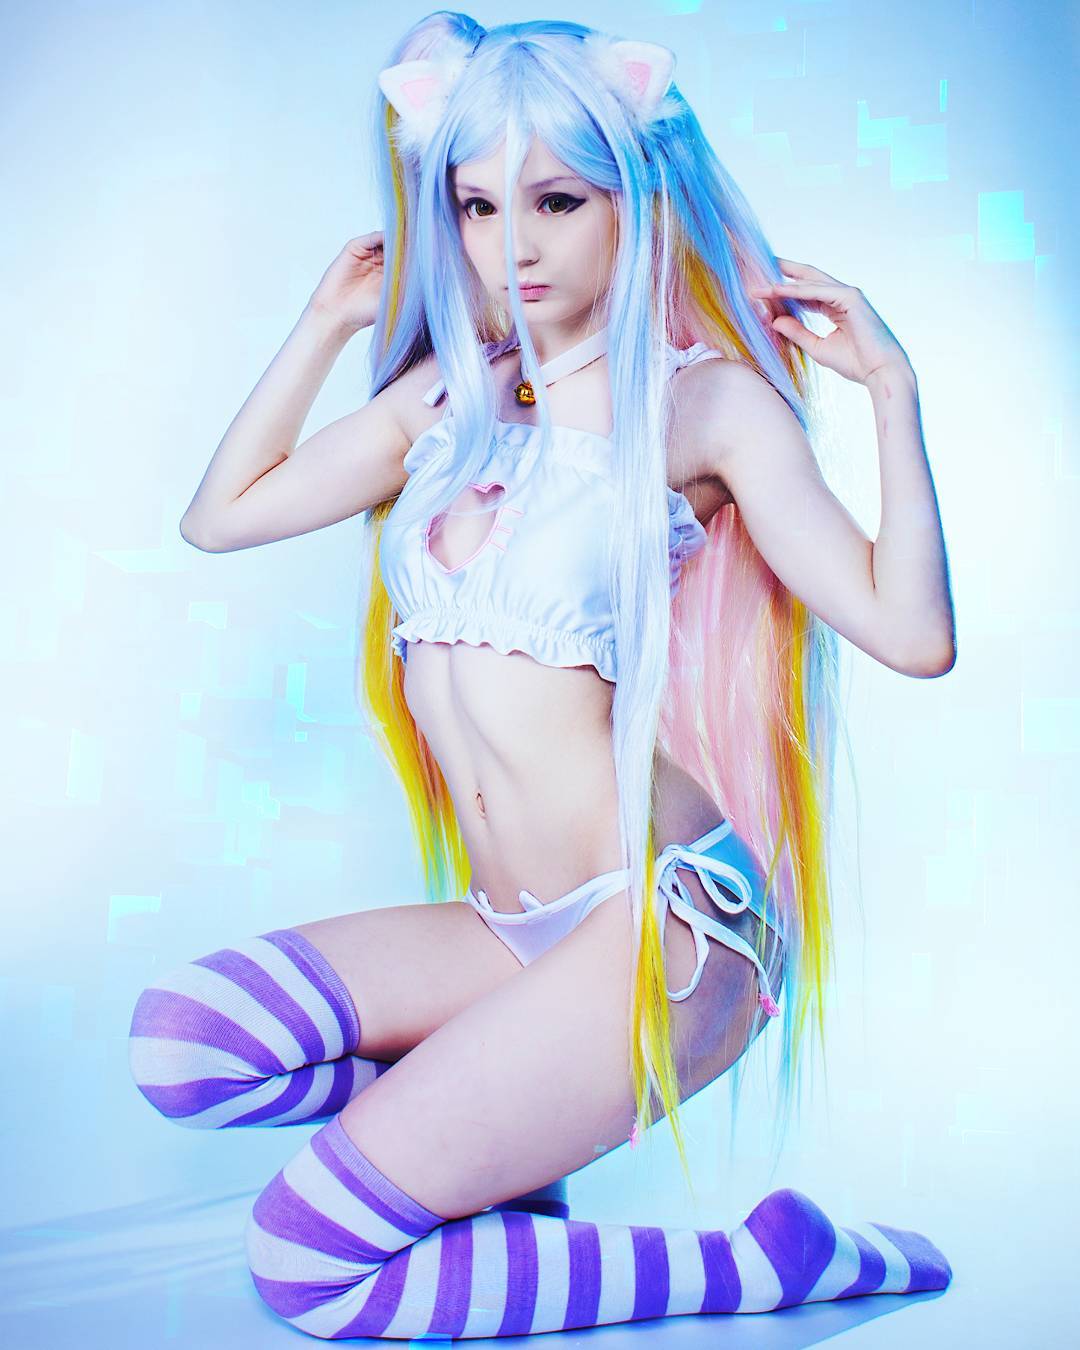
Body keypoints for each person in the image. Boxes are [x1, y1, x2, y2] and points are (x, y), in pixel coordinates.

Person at [128, 13, 956, 1339]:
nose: (511, 244)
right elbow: (220, 516)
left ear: (634, 201)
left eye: (557, 200)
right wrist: (328, 320)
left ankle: (762, 1266)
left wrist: (893, 392)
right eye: (476, 203)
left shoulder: (701, 407)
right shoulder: (448, 405)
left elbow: (913, 636)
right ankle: (493, 1142)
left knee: (306, 1262)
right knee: (187, 1040)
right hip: (506, 927)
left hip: (668, 931)